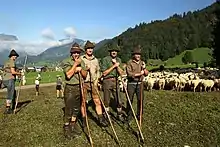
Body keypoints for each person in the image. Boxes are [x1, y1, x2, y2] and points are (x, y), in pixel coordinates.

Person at [62, 42, 88, 139]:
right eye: (74, 52)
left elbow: (85, 76)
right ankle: (66, 127)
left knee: (76, 109)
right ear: (71, 53)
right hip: (70, 88)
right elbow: (68, 75)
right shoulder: (66, 61)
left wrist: (81, 69)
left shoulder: (82, 61)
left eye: (78, 52)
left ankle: (72, 125)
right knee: (69, 109)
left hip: (80, 87)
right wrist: (75, 66)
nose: (76, 54)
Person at [80, 40, 108, 129]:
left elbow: (98, 71)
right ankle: (84, 120)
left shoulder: (95, 60)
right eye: (88, 48)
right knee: (83, 102)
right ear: (85, 50)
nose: (90, 50)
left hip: (93, 83)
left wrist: (96, 81)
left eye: (91, 48)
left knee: (97, 101)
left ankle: (101, 119)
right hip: (83, 83)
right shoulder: (81, 59)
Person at [101, 43, 125, 121]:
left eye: (115, 51)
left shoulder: (119, 60)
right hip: (107, 81)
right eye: (112, 51)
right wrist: (114, 66)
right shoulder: (105, 59)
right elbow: (104, 73)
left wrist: (117, 66)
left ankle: (119, 114)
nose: (114, 52)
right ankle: (107, 114)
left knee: (119, 99)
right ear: (110, 52)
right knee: (107, 100)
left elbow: (121, 73)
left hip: (116, 81)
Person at [125, 46, 148, 123]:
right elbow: (129, 74)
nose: (138, 56)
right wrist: (139, 74)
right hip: (131, 83)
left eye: (139, 54)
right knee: (129, 100)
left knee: (140, 100)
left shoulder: (142, 63)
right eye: (136, 54)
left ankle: (139, 115)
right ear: (133, 55)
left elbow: (146, 73)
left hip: (140, 84)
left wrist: (144, 69)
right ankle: (129, 115)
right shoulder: (129, 63)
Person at [2, 49, 21, 114]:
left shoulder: (6, 61)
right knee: (10, 94)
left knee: (13, 92)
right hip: (10, 79)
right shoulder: (12, 61)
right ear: (12, 56)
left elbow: (8, 70)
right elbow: (13, 72)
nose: (16, 57)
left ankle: (12, 105)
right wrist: (20, 74)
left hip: (4, 79)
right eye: (15, 56)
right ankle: (8, 109)